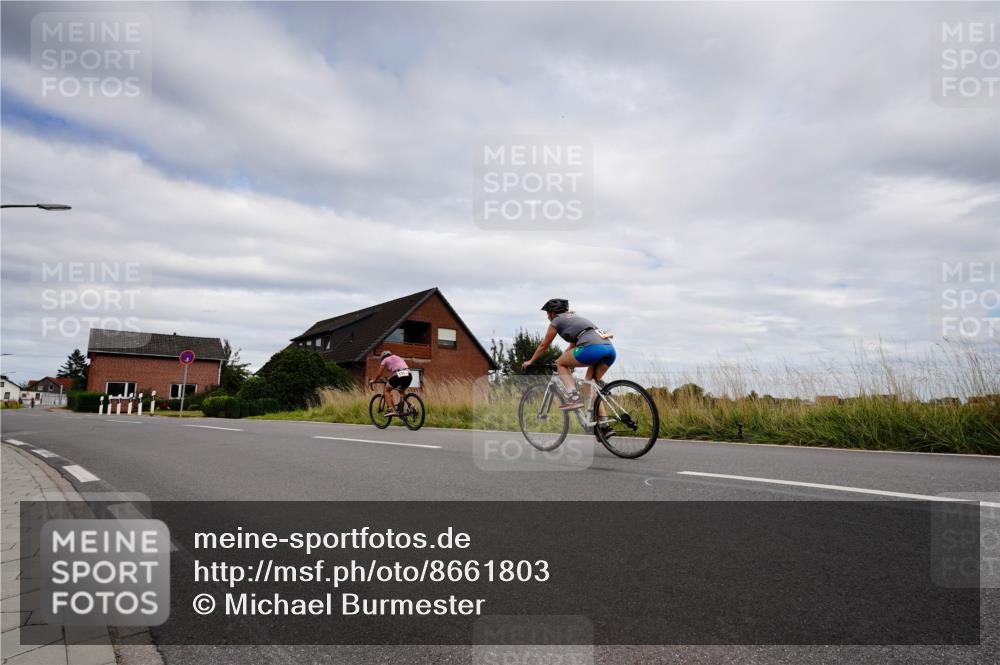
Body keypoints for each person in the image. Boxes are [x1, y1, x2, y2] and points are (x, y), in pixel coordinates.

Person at [521, 298, 616, 420]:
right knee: (589, 388)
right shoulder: (576, 319)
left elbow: (544, 345)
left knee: (560, 364)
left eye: (547, 313)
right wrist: (562, 358)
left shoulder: (556, 321)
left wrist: (531, 361)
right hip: (609, 349)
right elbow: (572, 347)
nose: (547, 317)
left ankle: (574, 398)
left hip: (592, 348)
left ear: (552, 313)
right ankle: (605, 425)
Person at [370, 350, 412, 416]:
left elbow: (380, 373)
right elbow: (398, 369)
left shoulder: (385, 359)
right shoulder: (398, 357)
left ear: (383, 357)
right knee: (401, 391)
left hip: (399, 374)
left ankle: (390, 409)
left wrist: (375, 380)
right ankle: (410, 406)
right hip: (409, 374)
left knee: (386, 390)